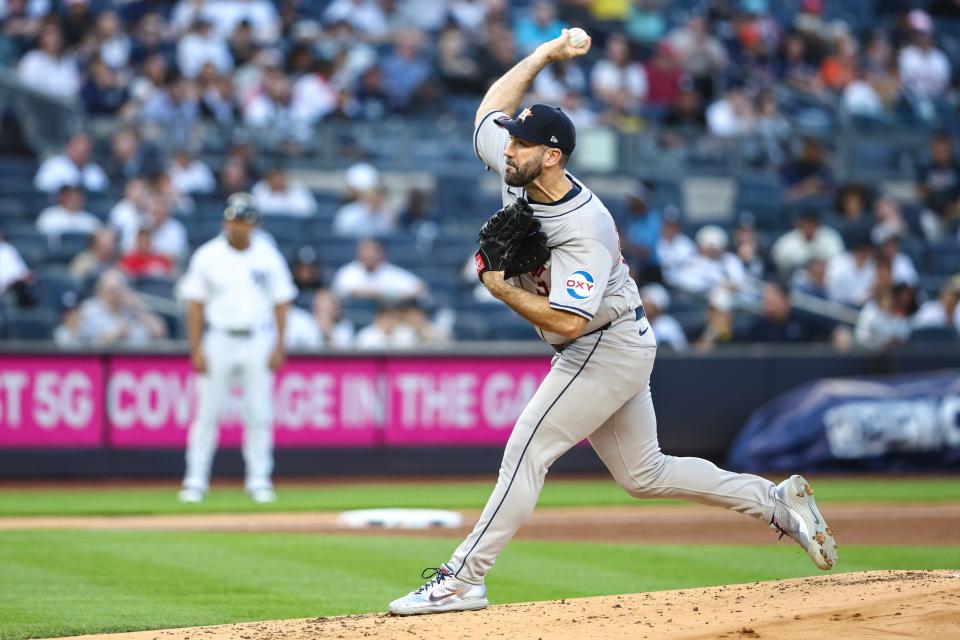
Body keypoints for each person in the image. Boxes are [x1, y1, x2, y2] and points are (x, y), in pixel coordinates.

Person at [388, 29, 836, 617]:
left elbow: (570, 324)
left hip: (602, 343)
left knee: (527, 450)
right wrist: (545, 55)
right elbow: (486, 111)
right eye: (512, 142)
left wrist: (499, 288)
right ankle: (776, 503)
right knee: (644, 473)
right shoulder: (520, 167)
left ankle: (463, 578)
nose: (507, 148)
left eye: (520, 144)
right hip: (611, 338)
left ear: (551, 156)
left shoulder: (584, 227)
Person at [177, 193, 296, 504]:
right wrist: (196, 347)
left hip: (258, 339)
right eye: (234, 219)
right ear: (225, 221)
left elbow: (282, 303)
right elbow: (194, 305)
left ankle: (259, 480)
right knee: (207, 414)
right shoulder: (208, 255)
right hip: (218, 338)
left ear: (254, 223)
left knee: (259, 414)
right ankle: (195, 481)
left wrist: (280, 345)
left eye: (244, 220)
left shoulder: (268, 255)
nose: (239, 226)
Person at [77, 269, 167, 346]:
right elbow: (86, 344)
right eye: (111, 290)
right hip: (104, 361)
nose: (116, 294)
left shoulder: (132, 307)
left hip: (139, 359)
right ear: (100, 291)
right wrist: (117, 334)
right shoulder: (89, 310)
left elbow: (159, 333)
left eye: (119, 289)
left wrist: (138, 308)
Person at [331, 239, 425, 301]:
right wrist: (390, 294)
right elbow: (353, 292)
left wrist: (385, 294)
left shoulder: (388, 270)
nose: (370, 254)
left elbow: (419, 287)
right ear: (358, 252)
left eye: (375, 250)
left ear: (382, 253)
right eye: (366, 250)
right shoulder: (348, 271)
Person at [34, 132, 109, 194]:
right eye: (79, 150)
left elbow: (102, 191)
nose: (82, 154)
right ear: (69, 147)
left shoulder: (95, 170)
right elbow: (41, 189)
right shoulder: (52, 165)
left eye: (86, 150)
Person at [35, 185, 102, 244]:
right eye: (70, 196)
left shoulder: (91, 220)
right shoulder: (48, 216)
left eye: (77, 196)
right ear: (62, 197)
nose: (74, 199)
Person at [251, 165, 318, 217]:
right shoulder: (259, 190)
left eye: (280, 177)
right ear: (269, 179)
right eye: (274, 177)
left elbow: (309, 211)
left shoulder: (297, 189)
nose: (277, 180)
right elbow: (256, 211)